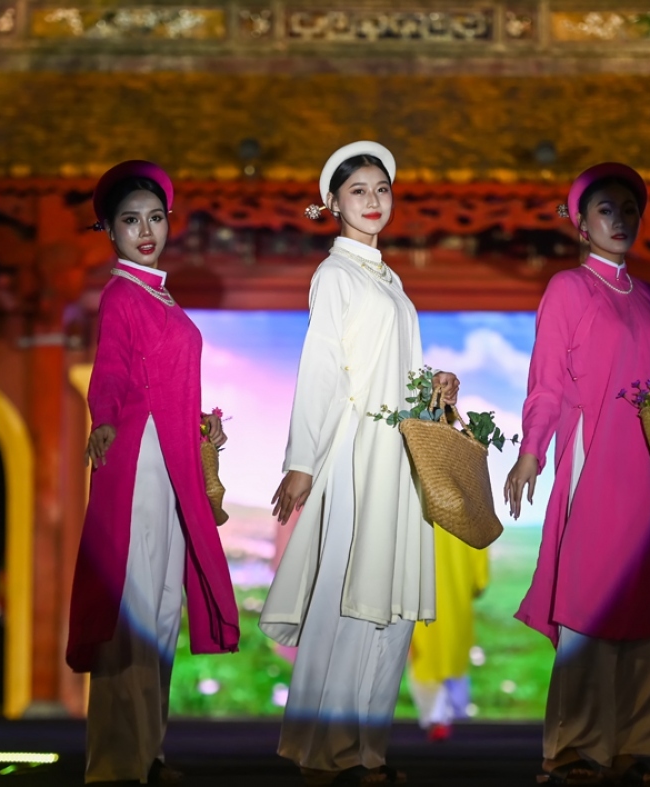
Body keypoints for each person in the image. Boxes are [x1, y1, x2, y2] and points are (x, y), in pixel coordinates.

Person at [505, 163, 650, 787]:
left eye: (630, 208)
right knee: (593, 598)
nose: (620, 220)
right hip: (595, 459)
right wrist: (532, 453)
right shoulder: (569, 288)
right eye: (606, 209)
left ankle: (644, 743)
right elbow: (546, 382)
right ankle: (575, 748)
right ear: (580, 222)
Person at [260, 140, 459, 787]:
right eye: (358, 191)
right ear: (333, 204)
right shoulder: (336, 275)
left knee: (391, 607)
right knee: (352, 598)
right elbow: (321, 371)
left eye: (381, 189)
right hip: (356, 455)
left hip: (399, 457)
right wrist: (302, 462)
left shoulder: (388, 279)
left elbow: (397, 371)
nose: (373, 201)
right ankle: (326, 750)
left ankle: (366, 752)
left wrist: (436, 389)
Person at [66, 160, 241, 785]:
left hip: (170, 461)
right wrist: (104, 418)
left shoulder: (158, 294)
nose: (146, 230)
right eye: (130, 221)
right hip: (136, 460)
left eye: (155, 218)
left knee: (164, 610)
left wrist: (198, 423)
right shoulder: (121, 295)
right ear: (108, 232)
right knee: (133, 611)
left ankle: (146, 753)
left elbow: (159, 381)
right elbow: (110, 372)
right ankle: (115, 765)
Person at [407, 530, 488, 742]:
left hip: (417, 605)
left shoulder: (410, 501)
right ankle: (456, 720)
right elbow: (479, 581)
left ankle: (436, 720)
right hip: (455, 604)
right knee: (454, 659)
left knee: (424, 660)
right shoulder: (470, 503)